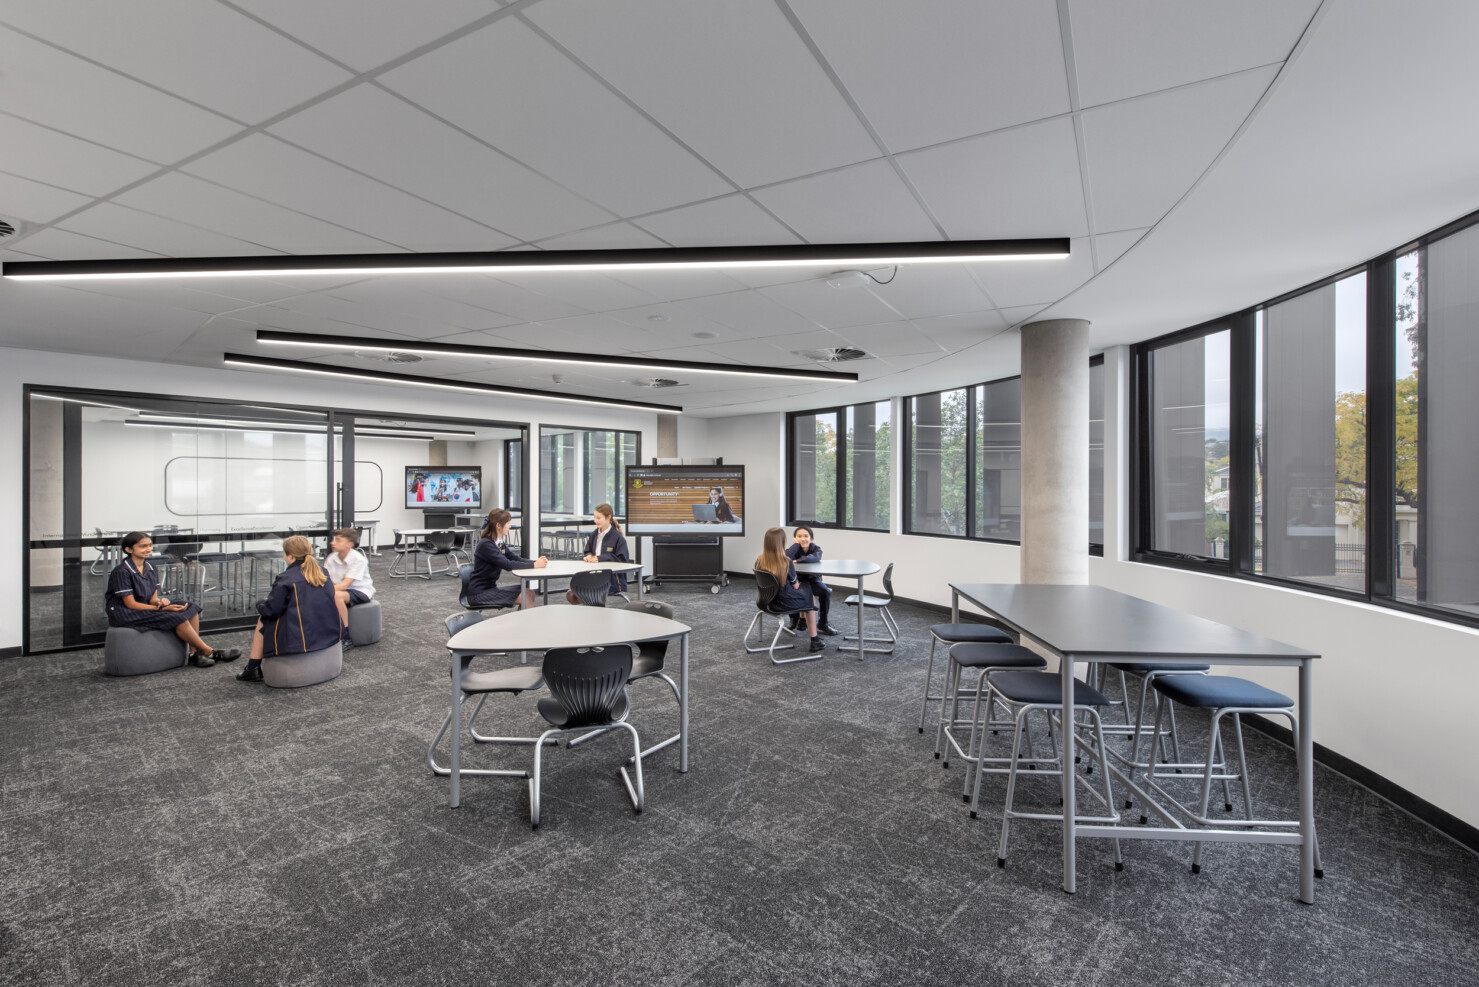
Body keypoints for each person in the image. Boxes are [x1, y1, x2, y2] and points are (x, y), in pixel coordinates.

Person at [104, 531, 240, 667]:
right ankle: (209, 651)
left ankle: (194, 654)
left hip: (144, 607)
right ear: (128, 549)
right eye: (142, 546)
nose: (148, 549)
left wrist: (160, 602)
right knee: (176, 617)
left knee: (191, 607)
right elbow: (130, 604)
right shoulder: (122, 571)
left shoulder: (151, 568)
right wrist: (161, 608)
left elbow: (152, 599)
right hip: (124, 612)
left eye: (150, 545)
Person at [237, 535, 342, 683]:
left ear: (290, 556)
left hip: (300, 637)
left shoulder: (286, 579)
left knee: (263, 619)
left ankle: (252, 668)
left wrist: (260, 603)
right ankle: (252, 668)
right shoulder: (322, 571)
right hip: (327, 630)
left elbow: (271, 610)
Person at [755, 526, 824, 653]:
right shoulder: (786, 562)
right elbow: (796, 585)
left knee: (804, 593)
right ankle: (815, 641)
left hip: (765, 602)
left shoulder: (759, 559)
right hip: (783, 603)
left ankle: (802, 621)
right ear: (782, 542)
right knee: (808, 593)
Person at [469, 508, 545, 610]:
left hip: (490, 589)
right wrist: (535, 565)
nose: (509, 526)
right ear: (498, 526)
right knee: (526, 596)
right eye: (508, 523)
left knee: (529, 592)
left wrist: (535, 562)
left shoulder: (498, 542)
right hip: (479, 594)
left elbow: (513, 557)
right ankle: (526, 625)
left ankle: (523, 624)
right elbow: (508, 565)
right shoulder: (486, 544)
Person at [565, 503, 630, 604]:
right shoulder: (594, 535)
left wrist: (600, 558)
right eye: (594, 517)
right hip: (593, 576)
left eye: (598, 518)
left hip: (610, 581)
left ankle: (595, 612)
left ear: (608, 517)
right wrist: (588, 556)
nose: (595, 520)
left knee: (583, 594)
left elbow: (622, 559)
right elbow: (587, 551)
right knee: (571, 594)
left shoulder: (618, 538)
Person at [323, 527, 374, 650]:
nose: (332, 543)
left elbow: (345, 585)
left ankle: (346, 637)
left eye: (338, 540)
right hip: (339, 589)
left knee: (337, 596)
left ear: (349, 544)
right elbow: (325, 579)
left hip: (360, 591)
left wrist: (324, 591)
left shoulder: (358, 559)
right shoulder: (332, 557)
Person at [785, 525, 838, 636]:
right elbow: (786, 557)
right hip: (797, 581)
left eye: (806, 536)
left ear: (811, 539)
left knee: (825, 592)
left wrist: (797, 561)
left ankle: (823, 623)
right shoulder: (793, 549)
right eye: (799, 536)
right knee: (788, 590)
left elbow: (814, 557)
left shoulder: (815, 548)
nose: (803, 539)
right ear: (795, 539)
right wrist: (795, 545)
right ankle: (794, 619)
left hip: (812, 580)